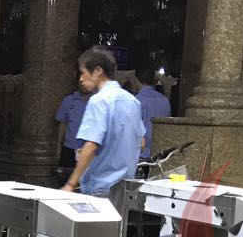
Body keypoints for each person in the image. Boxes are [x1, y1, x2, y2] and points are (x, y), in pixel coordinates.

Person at [60, 46, 144, 202]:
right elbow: (142, 142)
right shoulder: (132, 101)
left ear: (98, 71)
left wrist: (70, 184)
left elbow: (91, 145)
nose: (80, 79)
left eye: (83, 72)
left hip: (99, 187)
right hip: (126, 188)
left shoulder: (98, 101)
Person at [134, 66, 172, 164]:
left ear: (136, 79)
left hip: (142, 156)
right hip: (161, 154)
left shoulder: (137, 101)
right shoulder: (165, 100)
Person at [54, 80, 89, 179]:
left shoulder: (96, 101)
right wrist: (58, 147)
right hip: (69, 148)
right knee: (64, 179)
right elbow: (63, 123)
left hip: (88, 149)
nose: (84, 84)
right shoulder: (69, 100)